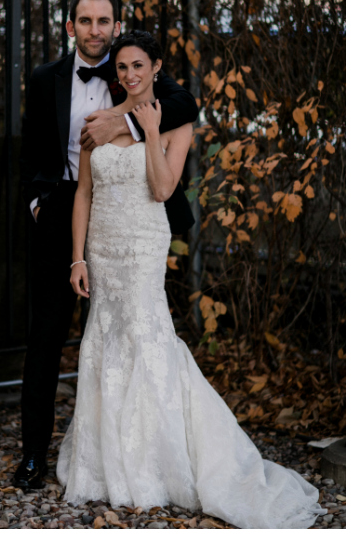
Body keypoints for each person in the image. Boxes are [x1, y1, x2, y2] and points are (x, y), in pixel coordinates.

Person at [57, 32, 323, 528]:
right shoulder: (96, 123)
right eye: (122, 69)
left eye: (138, 66)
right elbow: (84, 194)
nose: (129, 75)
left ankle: (155, 460)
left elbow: (161, 188)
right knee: (107, 339)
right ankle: (103, 464)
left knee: (146, 335)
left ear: (156, 66)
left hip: (141, 242)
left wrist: (152, 131)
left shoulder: (176, 119)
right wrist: (78, 258)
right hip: (102, 248)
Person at [15, 0, 198, 490]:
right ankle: (33, 455)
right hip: (64, 214)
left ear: (116, 27)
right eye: (86, 21)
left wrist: (119, 117)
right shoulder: (44, 78)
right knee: (47, 338)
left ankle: (135, 451)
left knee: (127, 334)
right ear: (71, 26)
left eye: (104, 21)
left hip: (127, 215)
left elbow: (185, 102)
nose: (95, 30)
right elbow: (30, 152)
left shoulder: (130, 74)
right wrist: (36, 202)